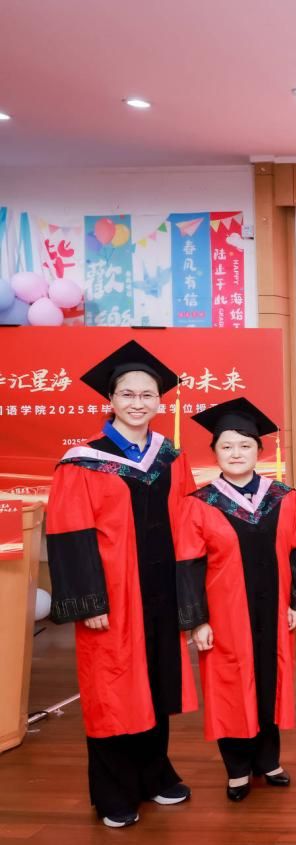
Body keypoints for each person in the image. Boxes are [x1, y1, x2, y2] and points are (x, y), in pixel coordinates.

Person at [45, 340, 197, 828]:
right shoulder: (82, 461)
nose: (137, 403)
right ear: (110, 399)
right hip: (113, 596)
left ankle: (154, 774)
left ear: (159, 401)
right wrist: (88, 600)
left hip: (161, 591)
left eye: (147, 394)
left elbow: (188, 523)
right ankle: (114, 790)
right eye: (127, 394)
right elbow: (69, 533)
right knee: (111, 689)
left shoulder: (170, 457)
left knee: (155, 681)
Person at [175, 399, 296, 802]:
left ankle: (268, 760)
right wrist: (197, 620)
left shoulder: (285, 498)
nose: (236, 453)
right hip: (225, 616)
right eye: (226, 446)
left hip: (273, 611)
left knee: (270, 681)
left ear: (260, 450)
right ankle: (237, 769)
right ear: (214, 452)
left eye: (244, 445)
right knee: (229, 685)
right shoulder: (199, 503)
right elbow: (187, 564)